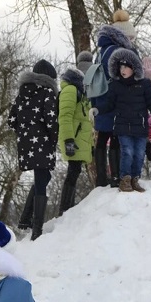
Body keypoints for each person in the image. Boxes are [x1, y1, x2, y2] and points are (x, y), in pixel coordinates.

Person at [92, 47, 151, 193]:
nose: (122, 69)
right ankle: (125, 179)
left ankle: (135, 178)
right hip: (123, 126)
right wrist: (97, 109)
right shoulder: (115, 85)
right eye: (120, 66)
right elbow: (109, 104)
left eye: (126, 66)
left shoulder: (144, 84)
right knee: (127, 152)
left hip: (140, 126)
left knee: (139, 153)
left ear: (133, 68)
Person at [9, 59, 58, 240]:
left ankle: (25, 220)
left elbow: (11, 120)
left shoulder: (21, 95)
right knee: (41, 179)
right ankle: (36, 230)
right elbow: (51, 120)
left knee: (43, 177)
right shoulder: (47, 93)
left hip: (26, 144)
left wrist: (25, 131)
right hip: (43, 141)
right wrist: (53, 137)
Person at [89, 11, 137, 187]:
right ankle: (116, 176)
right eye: (130, 38)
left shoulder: (103, 51)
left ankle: (101, 178)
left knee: (102, 137)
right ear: (123, 36)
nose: (132, 42)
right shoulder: (121, 52)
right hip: (116, 100)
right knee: (116, 138)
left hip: (101, 97)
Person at [57, 67, 93, 215]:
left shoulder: (79, 93)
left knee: (75, 170)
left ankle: (67, 208)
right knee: (73, 171)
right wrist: (68, 140)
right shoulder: (71, 90)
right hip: (73, 138)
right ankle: (65, 209)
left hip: (79, 138)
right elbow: (65, 116)